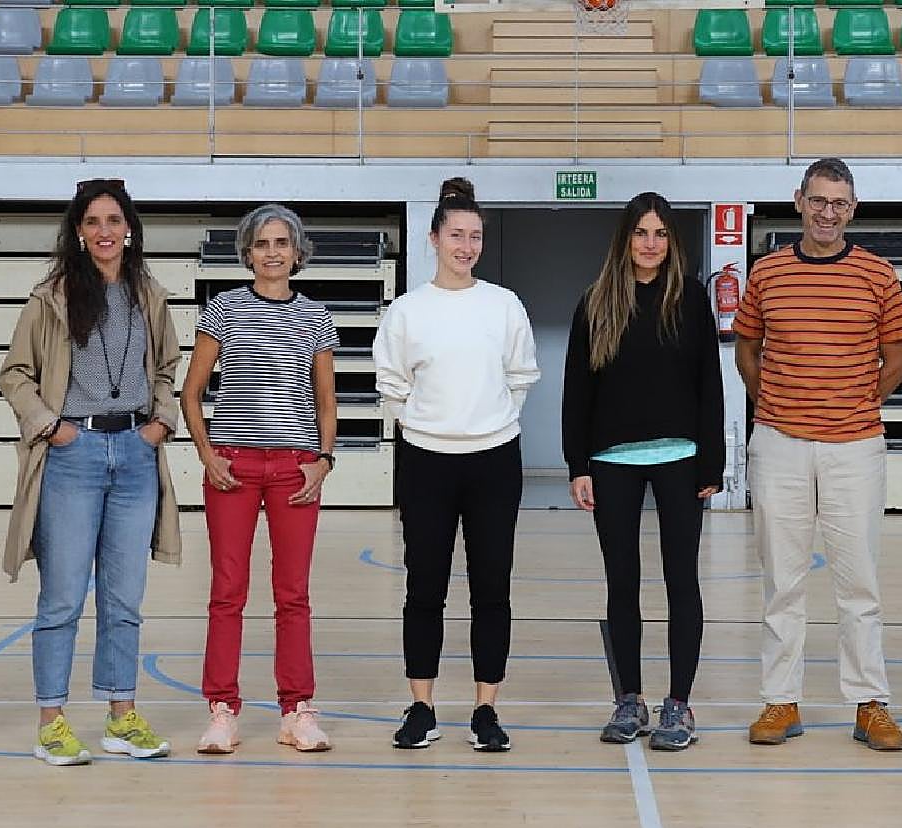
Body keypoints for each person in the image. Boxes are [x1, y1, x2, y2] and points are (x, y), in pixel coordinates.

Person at [0, 178, 181, 766]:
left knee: (124, 600)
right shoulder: (50, 296)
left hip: (134, 454)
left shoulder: (149, 294)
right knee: (62, 599)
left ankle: (121, 716)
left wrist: (159, 424)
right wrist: (54, 428)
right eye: (93, 221)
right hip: (73, 457)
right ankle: (52, 721)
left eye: (114, 220)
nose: (105, 231)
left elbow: (167, 370)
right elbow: (15, 374)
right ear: (78, 231)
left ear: (129, 229)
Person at [735, 158, 902, 751]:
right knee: (781, 581)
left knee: (858, 583)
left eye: (839, 202)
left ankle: (869, 703)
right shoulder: (767, 273)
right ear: (799, 200)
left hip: (855, 447)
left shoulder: (878, 275)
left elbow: (897, 360)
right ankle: (780, 702)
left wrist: (854, 403)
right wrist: (780, 411)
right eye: (818, 200)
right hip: (780, 445)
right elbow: (747, 351)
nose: (828, 212)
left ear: (852, 208)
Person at [374, 177, 540, 752]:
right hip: (425, 460)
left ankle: (486, 710)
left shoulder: (504, 305)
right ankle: (421, 706)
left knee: (492, 588)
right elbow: (392, 386)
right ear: (434, 238)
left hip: (495, 459)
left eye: (475, 237)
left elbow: (521, 377)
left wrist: (485, 423)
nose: (466, 246)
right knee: (425, 587)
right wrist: (430, 426)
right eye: (456, 235)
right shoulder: (406, 310)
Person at [562, 192, 724, 752]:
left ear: (671, 241)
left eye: (659, 233)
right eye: (640, 233)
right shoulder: (596, 301)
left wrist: (714, 460)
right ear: (625, 239)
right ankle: (629, 698)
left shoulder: (692, 300)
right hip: (612, 463)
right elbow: (578, 390)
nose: (650, 244)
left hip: (680, 458)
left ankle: (679, 704)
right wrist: (577, 464)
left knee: (682, 581)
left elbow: (710, 383)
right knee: (621, 583)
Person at [182, 204, 338, 754]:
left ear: (297, 252)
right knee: (228, 591)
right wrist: (207, 454)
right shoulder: (221, 308)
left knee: (293, 593)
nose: (273, 252)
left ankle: (297, 709)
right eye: (262, 243)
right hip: (234, 467)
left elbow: (324, 399)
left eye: (282, 243)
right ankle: (222, 708)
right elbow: (191, 390)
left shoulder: (317, 317)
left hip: (295, 467)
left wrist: (323, 458)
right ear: (247, 252)